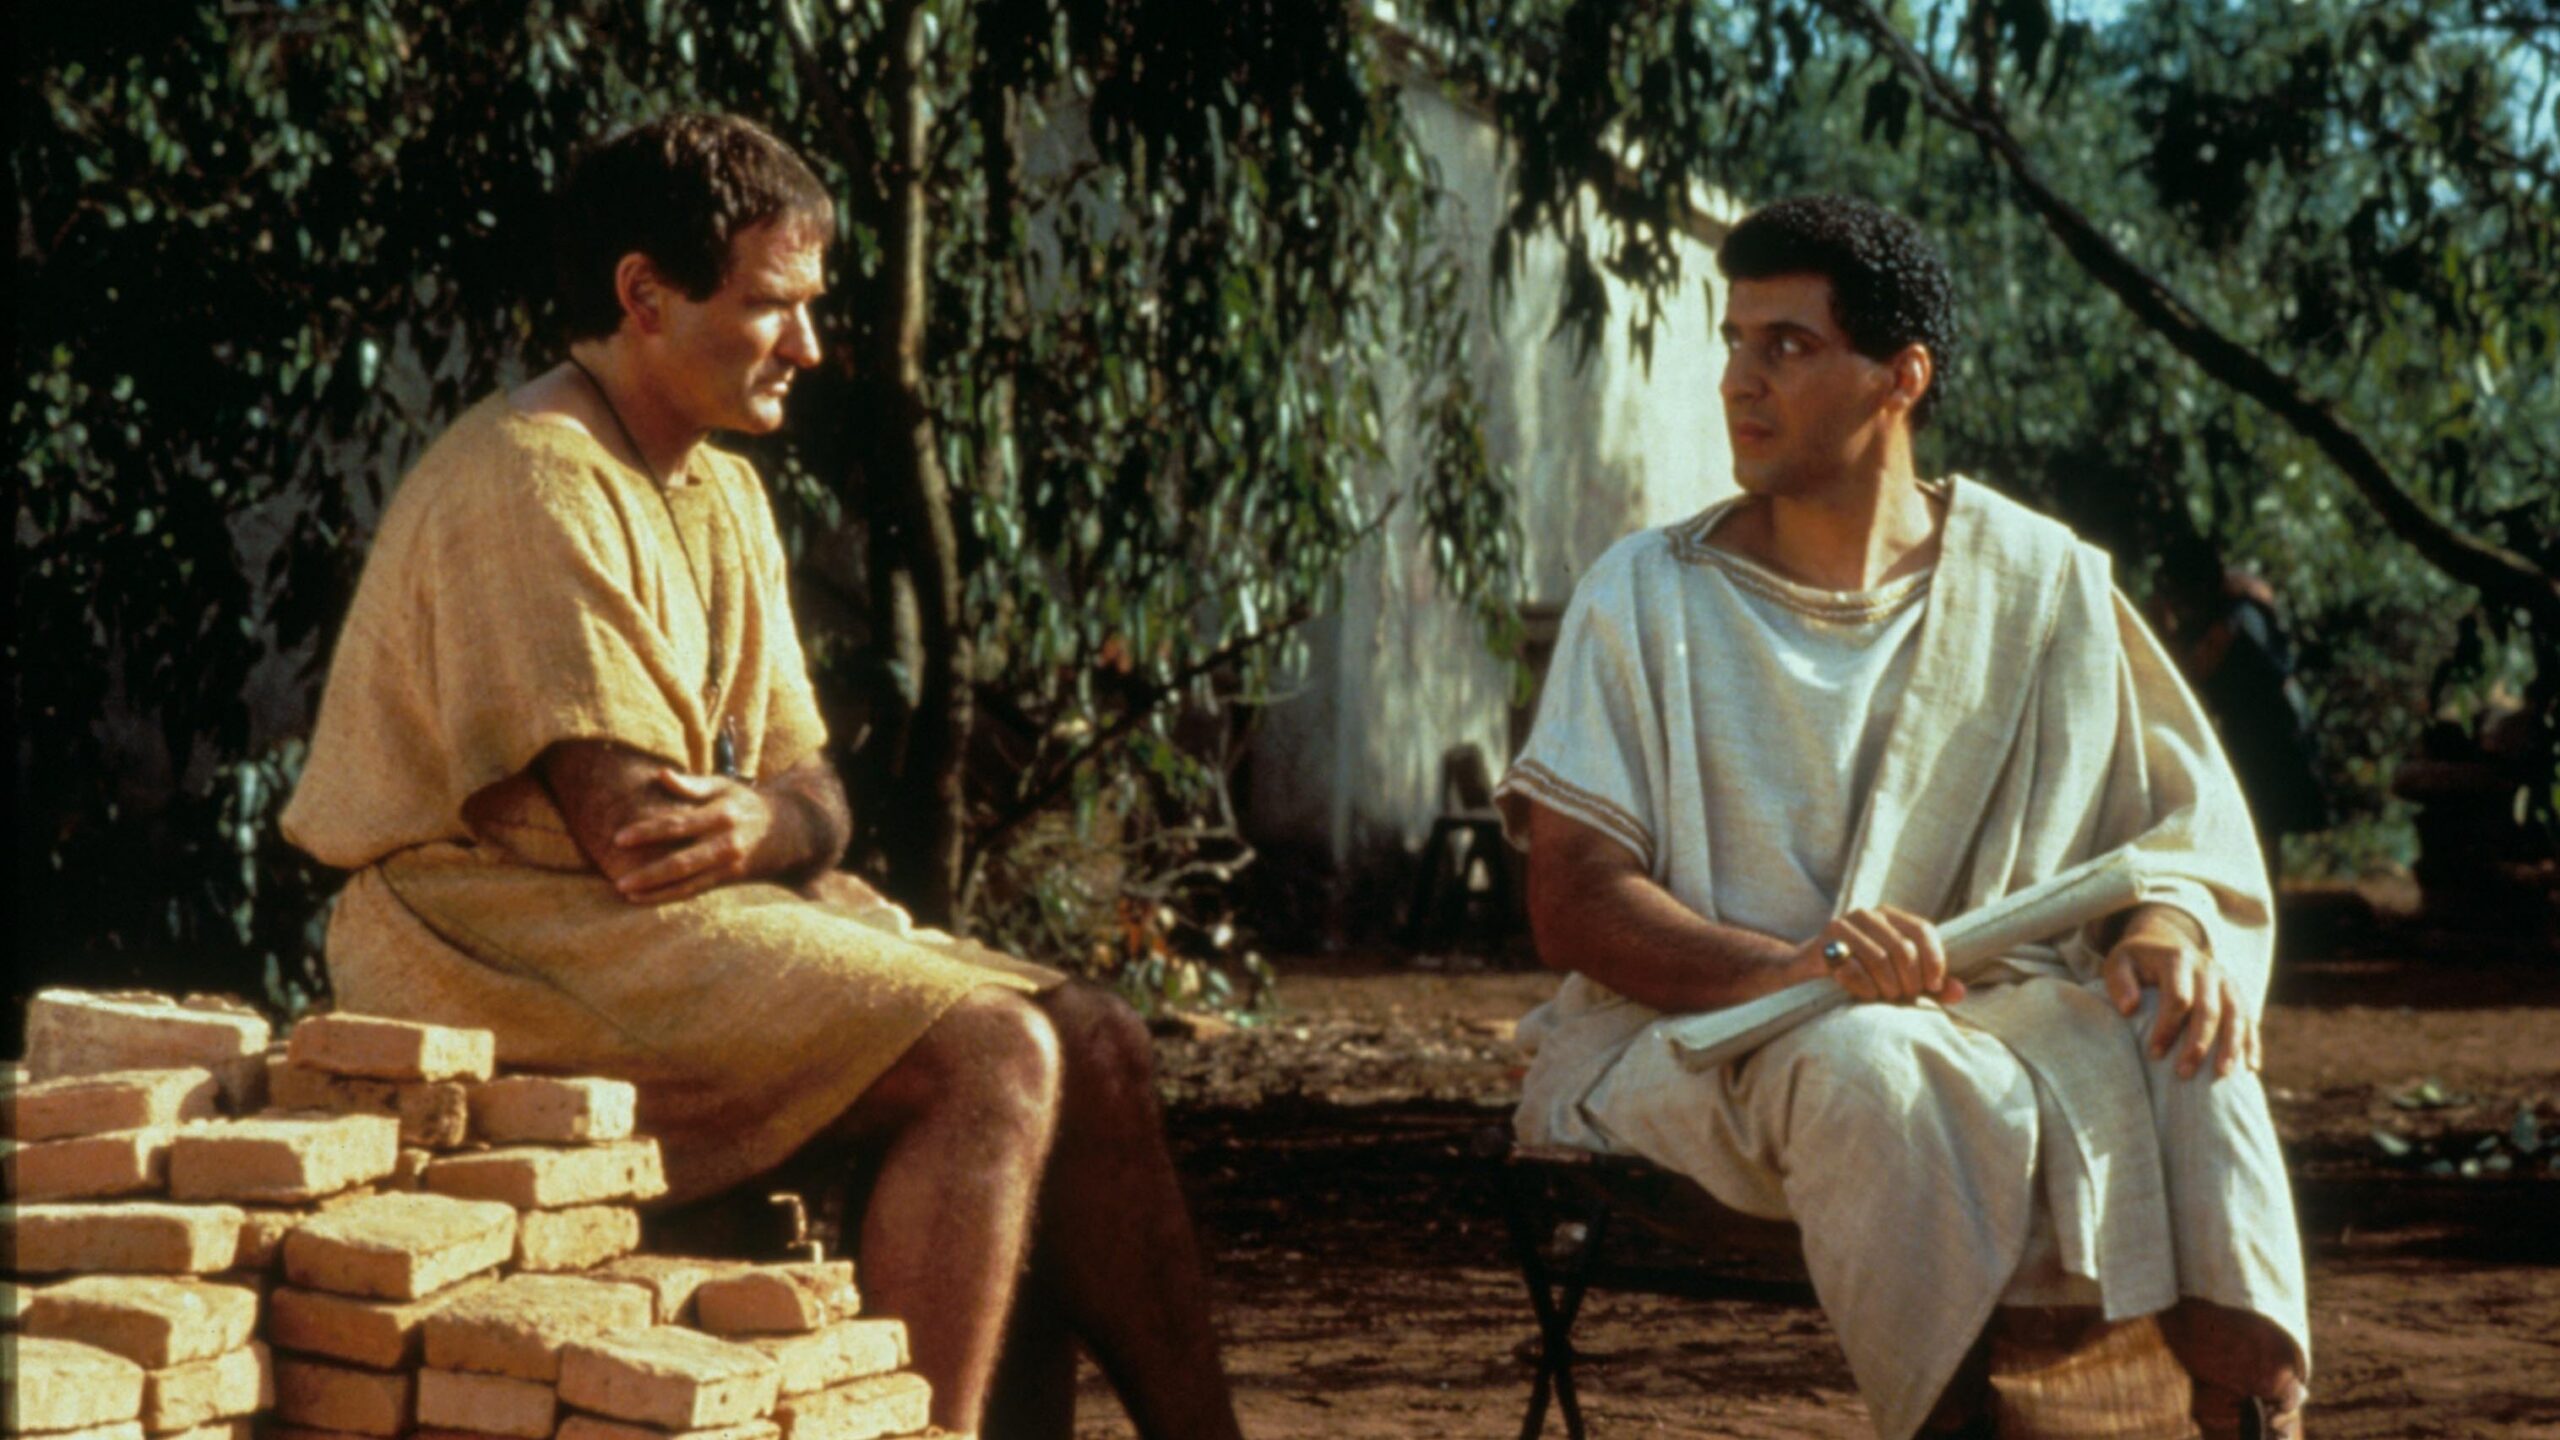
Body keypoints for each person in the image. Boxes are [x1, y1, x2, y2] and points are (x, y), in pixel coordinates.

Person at [280, 112, 1243, 1440]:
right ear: (644, 295)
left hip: (645, 927)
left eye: (811, 307)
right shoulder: (530, 478)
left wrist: (773, 819)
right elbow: (639, 835)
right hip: (492, 942)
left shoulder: (722, 489)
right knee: (989, 1053)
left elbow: (815, 795)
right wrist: (777, 822)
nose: (809, 344)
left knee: (1099, 1041)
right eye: (773, 305)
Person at [1494, 196, 2310, 1438]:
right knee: (1871, 1066)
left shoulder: (2038, 581)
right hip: (1713, 1038)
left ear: (1901, 378)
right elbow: (1575, 898)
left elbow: (2172, 832)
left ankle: (2245, 1414)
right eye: (1734, 341)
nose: (1739, 381)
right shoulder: (1648, 594)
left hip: (1999, 1015)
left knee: (2186, 1039)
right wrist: (1794, 968)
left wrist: (2166, 930)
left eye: (1787, 345)